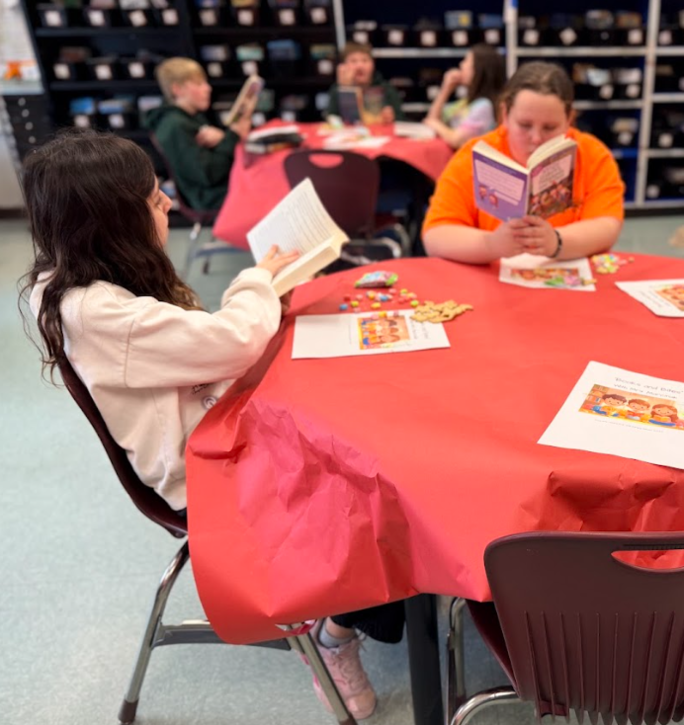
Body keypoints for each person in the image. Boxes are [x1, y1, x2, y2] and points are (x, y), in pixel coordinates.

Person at [18, 129, 401, 720]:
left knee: (355, 425)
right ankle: (336, 634)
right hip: (203, 476)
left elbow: (205, 348)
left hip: (217, 426)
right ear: (112, 223)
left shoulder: (94, 277)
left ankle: (360, 608)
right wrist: (260, 278)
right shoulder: (95, 309)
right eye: (152, 199)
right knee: (371, 483)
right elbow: (231, 340)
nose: (168, 201)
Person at [422, 61, 625, 263]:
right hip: (492, 279)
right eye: (524, 125)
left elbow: (607, 224)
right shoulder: (474, 155)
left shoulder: (593, 154)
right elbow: (435, 235)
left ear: (569, 120)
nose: (536, 138)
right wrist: (492, 245)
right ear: (505, 115)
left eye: (550, 128)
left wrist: (557, 242)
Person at [143, 57, 250, 211]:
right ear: (177, 90)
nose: (208, 88)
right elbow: (209, 175)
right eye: (199, 84)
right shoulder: (175, 126)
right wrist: (232, 136)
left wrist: (223, 138)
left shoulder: (190, 117)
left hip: (219, 185)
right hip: (210, 196)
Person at [423, 44, 506, 149]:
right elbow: (432, 119)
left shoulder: (484, 106)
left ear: (479, 69)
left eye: (466, 61)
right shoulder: (465, 103)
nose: (461, 65)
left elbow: (457, 140)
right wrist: (445, 90)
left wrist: (435, 124)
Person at [324, 42, 404, 124]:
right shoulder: (337, 90)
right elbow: (332, 119)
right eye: (353, 61)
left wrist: (391, 118)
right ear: (343, 65)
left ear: (373, 64)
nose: (360, 66)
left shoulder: (387, 89)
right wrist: (346, 89)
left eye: (365, 60)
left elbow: (401, 120)